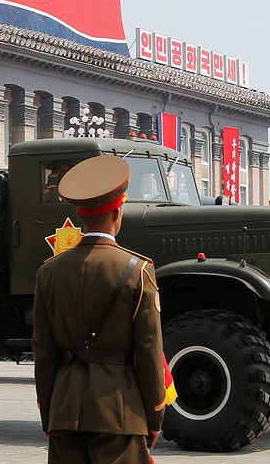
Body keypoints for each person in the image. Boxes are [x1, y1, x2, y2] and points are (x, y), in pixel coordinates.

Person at [32, 155, 165, 464]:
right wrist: (154, 415)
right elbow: (148, 351)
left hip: (64, 411)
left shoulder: (49, 272)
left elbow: (44, 352)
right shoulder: (138, 270)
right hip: (120, 411)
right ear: (118, 213)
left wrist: (49, 415)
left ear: (81, 215)